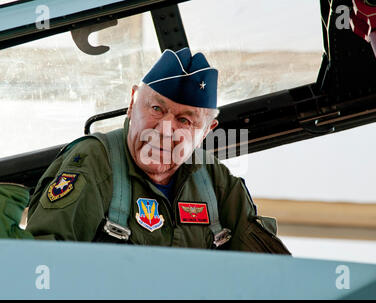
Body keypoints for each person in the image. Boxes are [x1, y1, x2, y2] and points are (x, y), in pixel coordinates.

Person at [25, 48, 290, 254]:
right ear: (132, 103)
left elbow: (271, 274)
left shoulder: (216, 182)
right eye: (156, 109)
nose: (165, 130)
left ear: (205, 133)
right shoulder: (95, 162)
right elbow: (43, 263)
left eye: (184, 120)